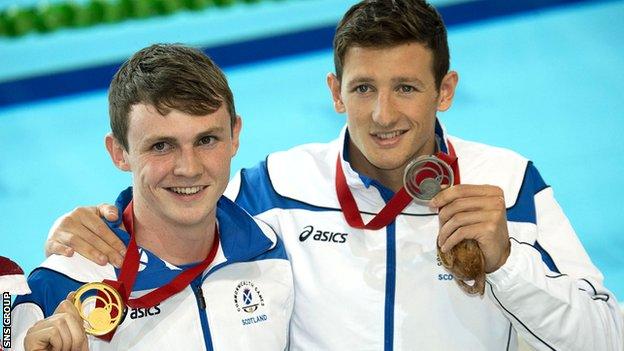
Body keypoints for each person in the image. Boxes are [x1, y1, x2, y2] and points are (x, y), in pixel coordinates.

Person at [43, 1, 623, 350]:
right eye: (364, 87)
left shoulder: (509, 183)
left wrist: (510, 265)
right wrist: (81, 230)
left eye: (407, 88)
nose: (382, 114)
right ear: (334, 92)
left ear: (445, 90)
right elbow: (180, 203)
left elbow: (607, 338)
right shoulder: (275, 188)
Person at [10, 44, 293, 350]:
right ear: (119, 152)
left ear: (235, 135)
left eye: (207, 140)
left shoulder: (276, 249)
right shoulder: (60, 286)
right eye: (161, 146)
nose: (189, 168)